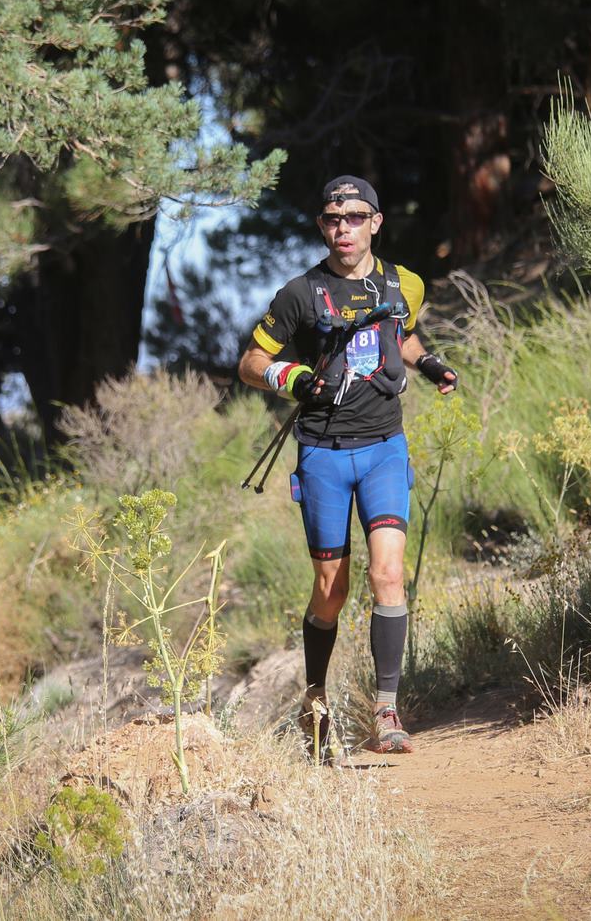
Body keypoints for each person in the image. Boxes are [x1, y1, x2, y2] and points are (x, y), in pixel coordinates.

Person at [236, 175, 458, 758]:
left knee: (389, 574)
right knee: (331, 590)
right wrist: (294, 377)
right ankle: (316, 701)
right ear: (321, 226)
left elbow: (400, 336)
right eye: (334, 219)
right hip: (323, 455)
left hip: (385, 446)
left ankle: (386, 713)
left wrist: (430, 363)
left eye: (356, 217)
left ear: (375, 223)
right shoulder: (299, 294)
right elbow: (251, 362)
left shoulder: (402, 282)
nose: (344, 229)